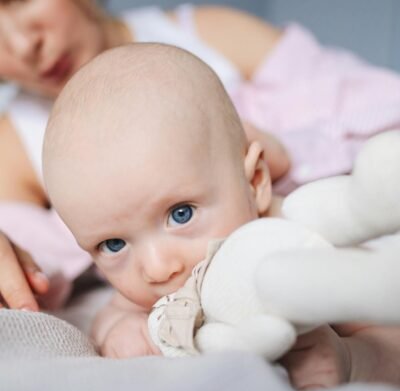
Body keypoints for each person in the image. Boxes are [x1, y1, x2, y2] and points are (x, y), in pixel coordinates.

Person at [43, 43, 400, 390]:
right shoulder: (149, 291)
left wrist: (354, 360)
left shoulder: (304, 241)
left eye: (180, 214)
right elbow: (111, 311)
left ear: (255, 181)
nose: (157, 268)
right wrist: (117, 330)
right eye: (113, 244)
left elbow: (389, 334)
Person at [0, 0, 292, 311]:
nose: (23, 45)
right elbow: (33, 267)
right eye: (112, 243)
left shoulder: (213, 34)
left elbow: (350, 116)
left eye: (19, 0)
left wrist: (283, 158)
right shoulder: (12, 146)